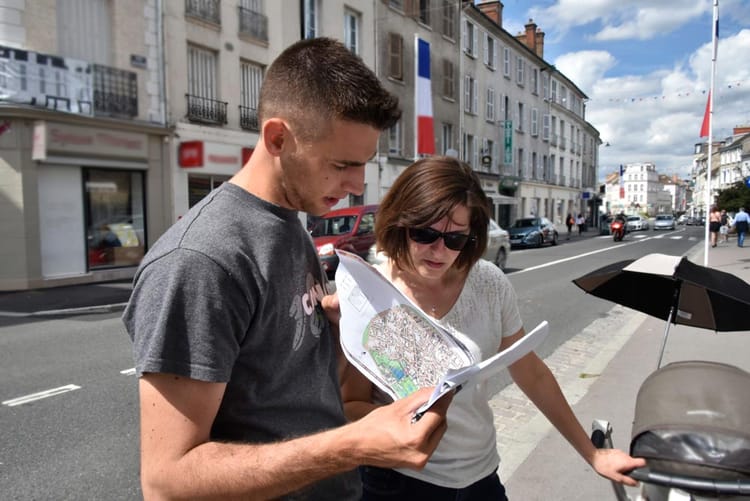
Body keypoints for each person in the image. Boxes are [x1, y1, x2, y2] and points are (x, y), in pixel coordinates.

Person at [122, 38, 452, 501]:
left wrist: (348, 336)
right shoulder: (200, 260)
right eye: (342, 165)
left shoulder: (291, 225)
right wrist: (352, 445)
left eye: (364, 166)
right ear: (278, 138)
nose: (357, 185)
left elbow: (287, 395)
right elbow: (167, 480)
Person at [341, 156, 646, 500]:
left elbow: (530, 371)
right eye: (425, 233)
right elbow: (351, 402)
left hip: (481, 474)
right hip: (398, 482)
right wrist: (404, 421)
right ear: (399, 222)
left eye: (455, 239)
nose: (440, 251)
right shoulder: (370, 293)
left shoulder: (487, 281)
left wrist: (592, 454)